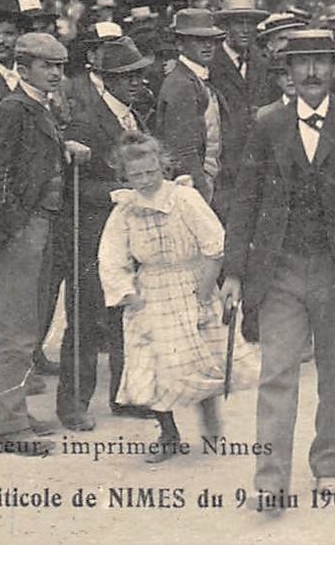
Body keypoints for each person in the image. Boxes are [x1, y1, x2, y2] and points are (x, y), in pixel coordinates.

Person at [220, 29, 335, 517]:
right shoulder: (266, 124)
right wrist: (234, 272)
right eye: (302, 64)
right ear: (288, 73)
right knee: (277, 373)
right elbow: (244, 202)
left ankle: (330, 464)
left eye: (321, 62)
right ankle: (270, 479)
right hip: (279, 270)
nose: (312, 72)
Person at [0, 32, 86, 456]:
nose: (55, 73)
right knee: (15, 331)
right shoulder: (14, 108)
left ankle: (9, 410)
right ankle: (7, 426)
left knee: (25, 327)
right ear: (22, 67)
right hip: (22, 229)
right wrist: (15, 225)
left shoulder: (39, 107)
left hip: (38, 224)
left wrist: (62, 151)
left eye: (60, 66)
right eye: (46, 65)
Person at [100, 132, 246, 461]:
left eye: (151, 172)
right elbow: (111, 255)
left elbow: (215, 245)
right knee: (152, 363)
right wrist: (127, 291)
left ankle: (209, 417)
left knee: (196, 358)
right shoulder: (125, 209)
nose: (145, 180)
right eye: (136, 175)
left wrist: (204, 288)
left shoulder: (183, 198)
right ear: (126, 175)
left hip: (191, 281)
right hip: (150, 289)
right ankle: (167, 432)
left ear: (162, 166)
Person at [56, 37, 155, 430]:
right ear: (104, 79)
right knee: (85, 320)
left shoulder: (135, 117)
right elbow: (70, 187)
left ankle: (123, 394)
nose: (133, 83)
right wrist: (114, 193)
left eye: (137, 75)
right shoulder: (86, 121)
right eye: (123, 77)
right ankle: (73, 404)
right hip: (91, 234)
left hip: (125, 236)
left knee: (123, 316)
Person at [156, 8, 226, 204]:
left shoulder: (197, 78)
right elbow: (184, 150)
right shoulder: (181, 84)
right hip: (192, 184)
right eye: (198, 40)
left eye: (211, 40)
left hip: (210, 178)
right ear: (180, 44)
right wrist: (202, 193)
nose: (207, 46)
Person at [211, 0, 271, 220]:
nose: (246, 30)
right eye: (239, 23)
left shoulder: (262, 62)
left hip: (257, 162)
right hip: (223, 166)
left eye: (251, 23)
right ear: (225, 27)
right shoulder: (211, 63)